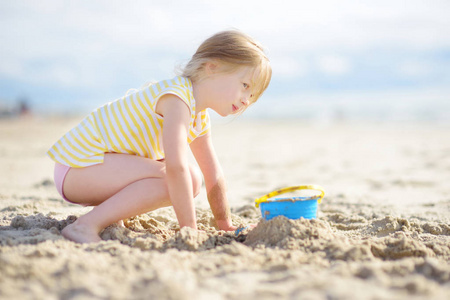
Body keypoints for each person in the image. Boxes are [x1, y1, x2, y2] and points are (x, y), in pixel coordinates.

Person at [47, 30, 272, 243]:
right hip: (78, 167)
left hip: (97, 169)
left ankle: (110, 216)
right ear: (212, 67)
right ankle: (84, 226)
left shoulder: (198, 116)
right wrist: (190, 230)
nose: (246, 100)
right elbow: (176, 168)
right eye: (244, 86)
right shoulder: (177, 98)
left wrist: (224, 223)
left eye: (251, 95)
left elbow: (213, 173)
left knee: (189, 179)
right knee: (183, 178)